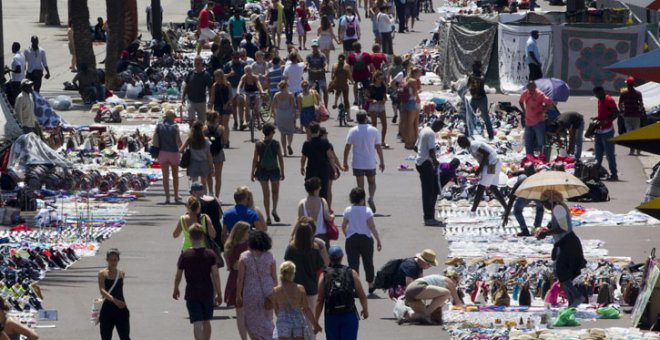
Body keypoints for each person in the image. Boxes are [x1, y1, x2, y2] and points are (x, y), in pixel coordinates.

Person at [535, 190, 587, 307]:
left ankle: (576, 296)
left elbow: (563, 228)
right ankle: (572, 300)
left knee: (561, 272)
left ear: (550, 200)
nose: (544, 206)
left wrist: (547, 233)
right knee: (561, 273)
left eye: (544, 203)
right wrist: (548, 227)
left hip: (568, 242)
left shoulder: (558, 208)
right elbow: (558, 223)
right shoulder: (557, 208)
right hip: (564, 243)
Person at [173, 224, 223, 340]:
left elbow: (178, 275)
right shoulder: (210, 254)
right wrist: (219, 293)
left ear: (190, 237)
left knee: (197, 322)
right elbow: (215, 274)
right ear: (202, 237)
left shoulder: (185, 255)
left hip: (192, 293)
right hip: (207, 292)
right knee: (207, 320)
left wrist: (176, 288)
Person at [315, 245, 368, 340]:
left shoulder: (324, 275)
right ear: (342, 257)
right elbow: (362, 295)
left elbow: (320, 300)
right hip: (349, 314)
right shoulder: (351, 272)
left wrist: (316, 321)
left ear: (329, 258)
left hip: (331, 316)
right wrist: (365, 309)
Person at [284, 221, 325, 338]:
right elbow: (320, 267)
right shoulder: (315, 250)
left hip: (294, 288)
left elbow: (286, 267)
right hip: (311, 288)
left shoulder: (291, 249)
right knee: (310, 318)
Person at [236, 230, 277, 339]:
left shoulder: (244, 257)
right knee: (267, 318)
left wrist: (238, 295)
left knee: (251, 320)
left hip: (250, 290)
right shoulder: (269, 256)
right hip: (268, 289)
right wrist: (277, 293)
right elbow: (274, 277)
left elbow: (240, 278)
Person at [342, 187, 382, 294]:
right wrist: (378, 240)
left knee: (353, 264)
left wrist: (347, 235)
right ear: (363, 199)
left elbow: (343, 226)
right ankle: (370, 284)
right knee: (368, 262)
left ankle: (355, 287)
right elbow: (372, 226)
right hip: (366, 240)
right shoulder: (367, 210)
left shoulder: (348, 210)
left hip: (352, 239)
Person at [343, 111, 385, 213]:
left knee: (360, 186)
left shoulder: (353, 131)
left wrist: (345, 161)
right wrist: (382, 161)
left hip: (358, 162)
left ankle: (363, 204)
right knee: (372, 182)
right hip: (370, 161)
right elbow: (378, 147)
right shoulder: (373, 130)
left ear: (357, 119)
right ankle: (370, 197)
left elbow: (347, 147)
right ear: (366, 118)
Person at [456, 135, 508, 212]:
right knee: (493, 187)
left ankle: (473, 210)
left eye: (460, 144)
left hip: (492, 165)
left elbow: (486, 154)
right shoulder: (471, 147)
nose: (461, 146)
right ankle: (507, 208)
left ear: (464, 142)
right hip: (494, 163)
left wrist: (480, 169)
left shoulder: (473, 145)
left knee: (481, 186)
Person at [272, 261, 323, 339]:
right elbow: (307, 309)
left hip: (283, 321)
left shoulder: (276, 290)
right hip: (298, 321)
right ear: (293, 274)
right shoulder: (300, 288)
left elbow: (276, 309)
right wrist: (315, 325)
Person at [251, 123, 285, 225]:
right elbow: (280, 158)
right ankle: (274, 209)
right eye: (273, 132)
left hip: (262, 170)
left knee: (266, 194)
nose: (274, 133)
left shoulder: (258, 144)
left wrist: (252, 173)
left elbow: (254, 160)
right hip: (274, 170)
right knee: (275, 191)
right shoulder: (276, 144)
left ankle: (268, 216)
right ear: (270, 133)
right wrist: (282, 172)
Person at [223, 222, 250, 339]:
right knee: (248, 313)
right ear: (242, 233)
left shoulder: (229, 246)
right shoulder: (245, 247)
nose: (250, 234)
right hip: (246, 279)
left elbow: (230, 266)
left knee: (240, 313)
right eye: (248, 231)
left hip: (234, 279)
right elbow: (236, 265)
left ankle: (243, 338)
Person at [415, 119, 444, 226]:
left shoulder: (424, 130)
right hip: (426, 164)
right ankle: (429, 218)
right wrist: (435, 161)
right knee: (429, 192)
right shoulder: (431, 133)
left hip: (419, 162)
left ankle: (428, 217)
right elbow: (432, 150)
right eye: (440, 128)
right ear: (437, 126)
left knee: (426, 191)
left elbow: (415, 147)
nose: (440, 130)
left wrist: (421, 154)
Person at [502, 164, 544, 237]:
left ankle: (525, 230)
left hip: (528, 194)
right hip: (532, 193)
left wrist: (506, 215)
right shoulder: (528, 179)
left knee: (517, 211)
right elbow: (512, 197)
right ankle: (537, 227)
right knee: (540, 208)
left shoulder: (523, 179)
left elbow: (512, 198)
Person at [98, 248, 130, 340]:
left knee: (125, 337)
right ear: (107, 260)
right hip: (106, 310)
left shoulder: (121, 273)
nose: (113, 262)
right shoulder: (102, 273)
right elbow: (102, 290)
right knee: (106, 337)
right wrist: (114, 300)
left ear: (118, 260)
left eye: (115, 260)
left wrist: (119, 303)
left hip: (121, 309)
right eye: (111, 260)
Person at [155, 110, 183, 204]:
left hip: (162, 153)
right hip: (173, 153)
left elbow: (155, 139)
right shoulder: (175, 127)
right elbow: (178, 141)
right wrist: (182, 150)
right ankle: (176, 196)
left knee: (165, 176)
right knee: (175, 176)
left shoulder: (159, 126)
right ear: (172, 117)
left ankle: (167, 197)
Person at [519, 80, 553, 156]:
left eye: (532, 88)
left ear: (535, 87)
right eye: (529, 88)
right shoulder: (526, 93)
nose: (530, 90)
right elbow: (520, 101)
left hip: (538, 122)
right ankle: (529, 156)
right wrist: (524, 110)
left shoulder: (539, 94)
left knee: (540, 142)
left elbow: (549, 102)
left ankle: (542, 156)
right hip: (528, 121)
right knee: (528, 141)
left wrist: (543, 110)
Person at [593, 86, 619, 181]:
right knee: (598, 154)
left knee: (609, 154)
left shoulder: (609, 100)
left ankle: (614, 174)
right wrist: (597, 118)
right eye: (596, 95)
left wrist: (606, 121)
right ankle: (596, 174)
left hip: (607, 131)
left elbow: (616, 113)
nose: (597, 97)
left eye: (598, 94)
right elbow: (602, 114)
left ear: (602, 92)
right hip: (599, 131)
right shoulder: (599, 100)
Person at [298, 177, 334, 245]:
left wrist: (293, 235)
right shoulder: (322, 201)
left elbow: (300, 220)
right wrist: (332, 216)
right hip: (321, 234)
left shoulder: (302, 203)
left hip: (306, 234)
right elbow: (327, 217)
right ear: (318, 188)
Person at [180, 121, 214, 191]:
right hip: (204, 163)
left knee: (194, 183)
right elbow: (209, 155)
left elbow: (181, 149)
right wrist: (211, 167)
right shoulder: (206, 140)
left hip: (193, 163)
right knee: (204, 183)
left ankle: (195, 198)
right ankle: (204, 199)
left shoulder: (190, 139)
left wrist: (186, 153)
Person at [190, 181, 224, 251]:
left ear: (194, 192)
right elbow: (220, 215)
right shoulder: (214, 199)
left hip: (204, 233)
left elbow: (195, 218)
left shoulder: (197, 203)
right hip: (217, 228)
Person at [467, 60, 494, 140]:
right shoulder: (471, 76)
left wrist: (472, 78)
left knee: (485, 118)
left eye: (474, 67)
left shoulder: (481, 75)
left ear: (478, 67)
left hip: (481, 99)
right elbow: (468, 85)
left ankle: (491, 135)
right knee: (470, 116)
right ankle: (469, 133)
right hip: (474, 99)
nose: (473, 68)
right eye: (473, 67)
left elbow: (481, 80)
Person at [202, 112, 227, 198]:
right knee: (218, 176)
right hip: (219, 153)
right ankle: (217, 196)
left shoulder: (204, 129)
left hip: (208, 153)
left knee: (209, 174)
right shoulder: (221, 128)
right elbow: (225, 141)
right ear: (216, 118)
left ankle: (211, 192)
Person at [618, 76, 644, 155]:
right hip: (636, 116)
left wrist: (622, 111)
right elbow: (641, 105)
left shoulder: (623, 93)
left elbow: (620, 104)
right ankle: (638, 151)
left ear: (627, 85)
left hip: (627, 116)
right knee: (637, 134)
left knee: (630, 134)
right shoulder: (638, 93)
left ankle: (631, 151)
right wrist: (640, 110)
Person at [183, 57, 213, 124]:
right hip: (191, 100)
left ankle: (200, 134)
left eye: (198, 64)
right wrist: (183, 97)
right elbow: (187, 86)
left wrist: (211, 100)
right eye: (195, 64)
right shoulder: (191, 73)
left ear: (202, 64)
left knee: (201, 121)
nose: (196, 65)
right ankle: (191, 133)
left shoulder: (206, 75)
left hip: (201, 101)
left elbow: (210, 88)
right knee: (191, 119)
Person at [319, 127, 343, 210]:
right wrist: (339, 167)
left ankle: (320, 207)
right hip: (328, 167)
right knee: (328, 189)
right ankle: (328, 207)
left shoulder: (312, 143)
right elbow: (333, 157)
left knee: (318, 188)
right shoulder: (328, 144)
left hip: (316, 168)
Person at [271, 80, 297, 156]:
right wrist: (294, 115)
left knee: (282, 134)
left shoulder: (276, 95)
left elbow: (273, 106)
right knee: (290, 132)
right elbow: (293, 106)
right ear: (286, 86)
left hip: (280, 115)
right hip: (288, 114)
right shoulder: (290, 95)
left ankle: (284, 151)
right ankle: (289, 144)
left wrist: (274, 115)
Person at [237, 65, 267, 129]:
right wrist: (238, 91)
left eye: (249, 70)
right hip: (247, 92)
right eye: (247, 71)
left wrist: (261, 91)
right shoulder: (244, 77)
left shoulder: (255, 77)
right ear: (245, 71)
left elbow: (258, 84)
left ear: (251, 71)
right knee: (246, 104)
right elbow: (240, 84)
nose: (248, 72)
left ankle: (258, 122)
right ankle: (245, 120)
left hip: (255, 92)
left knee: (256, 107)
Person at [208, 70, 232, 148]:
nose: (215, 78)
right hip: (217, 105)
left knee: (225, 123)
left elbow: (230, 96)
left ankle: (227, 141)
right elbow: (212, 96)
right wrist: (210, 106)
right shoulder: (215, 85)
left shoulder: (227, 84)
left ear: (220, 76)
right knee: (219, 123)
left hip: (226, 105)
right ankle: (222, 140)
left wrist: (227, 104)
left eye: (216, 76)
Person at [224, 51, 248, 130]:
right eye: (235, 58)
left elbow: (247, 73)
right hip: (232, 87)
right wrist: (229, 74)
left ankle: (241, 121)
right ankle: (235, 122)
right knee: (234, 105)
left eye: (238, 57)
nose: (237, 59)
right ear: (232, 58)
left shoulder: (243, 64)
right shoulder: (228, 65)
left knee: (241, 102)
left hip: (241, 87)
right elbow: (223, 76)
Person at [366, 70, 389, 148]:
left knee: (385, 124)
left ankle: (382, 141)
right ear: (375, 78)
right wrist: (371, 100)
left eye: (382, 78)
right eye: (379, 78)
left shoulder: (383, 86)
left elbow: (385, 96)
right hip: (373, 105)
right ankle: (374, 141)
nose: (381, 79)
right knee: (374, 124)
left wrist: (384, 100)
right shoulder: (371, 86)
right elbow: (365, 97)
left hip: (381, 105)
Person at [329, 54, 352, 120]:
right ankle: (348, 117)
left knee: (338, 87)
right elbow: (349, 76)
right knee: (346, 99)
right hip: (344, 85)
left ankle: (335, 102)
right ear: (344, 59)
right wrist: (352, 82)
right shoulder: (346, 66)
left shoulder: (334, 65)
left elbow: (332, 77)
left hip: (335, 85)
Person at [306, 40, 329, 105]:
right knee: (307, 90)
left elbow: (325, 63)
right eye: (313, 46)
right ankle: (308, 105)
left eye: (316, 46)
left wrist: (326, 68)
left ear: (318, 47)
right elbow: (307, 63)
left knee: (325, 90)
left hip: (321, 75)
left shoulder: (322, 55)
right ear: (312, 47)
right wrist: (306, 67)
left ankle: (326, 107)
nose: (314, 48)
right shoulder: (309, 56)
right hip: (312, 75)